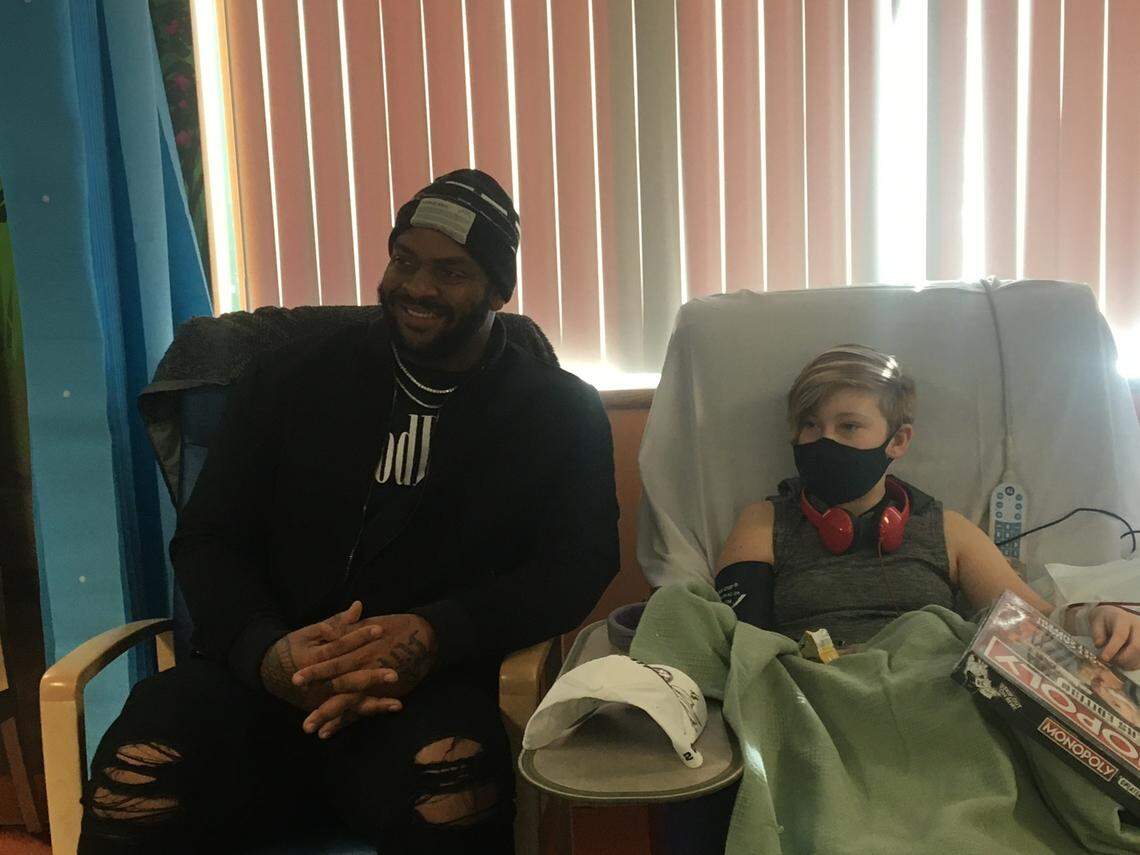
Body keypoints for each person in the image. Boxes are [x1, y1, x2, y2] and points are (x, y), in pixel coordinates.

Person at [78, 169, 620, 853]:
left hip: (426, 689)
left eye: (451, 271)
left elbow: (579, 562)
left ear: (498, 289)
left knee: (451, 784)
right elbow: (209, 537)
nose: (418, 287)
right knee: (136, 773)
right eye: (404, 261)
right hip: (261, 678)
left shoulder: (560, 412)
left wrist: (436, 632)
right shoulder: (287, 379)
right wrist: (265, 651)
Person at [715, 343, 1140, 668]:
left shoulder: (947, 529)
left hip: (930, 695)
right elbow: (741, 644)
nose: (824, 441)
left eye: (849, 426)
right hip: (816, 697)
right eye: (810, 425)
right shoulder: (765, 522)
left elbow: (1034, 620)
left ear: (898, 441)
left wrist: (1095, 618)